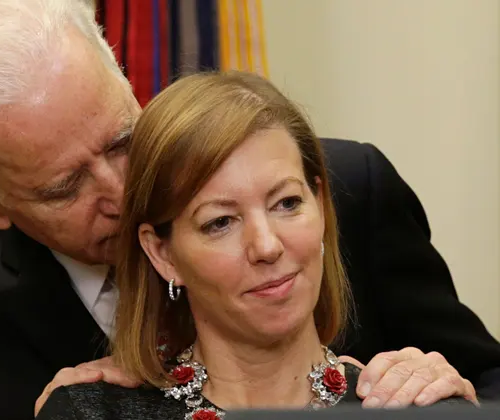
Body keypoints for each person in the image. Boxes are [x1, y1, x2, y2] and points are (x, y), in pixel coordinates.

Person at [0, 1, 500, 419]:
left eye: (121, 140)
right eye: (65, 187)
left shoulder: (348, 189)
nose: (122, 190)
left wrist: (447, 392)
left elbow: (488, 377)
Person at [35, 70, 473, 419]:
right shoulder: (89, 413)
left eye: (287, 203)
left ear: (321, 205)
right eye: (220, 222)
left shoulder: (415, 404)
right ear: (163, 254)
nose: (266, 246)